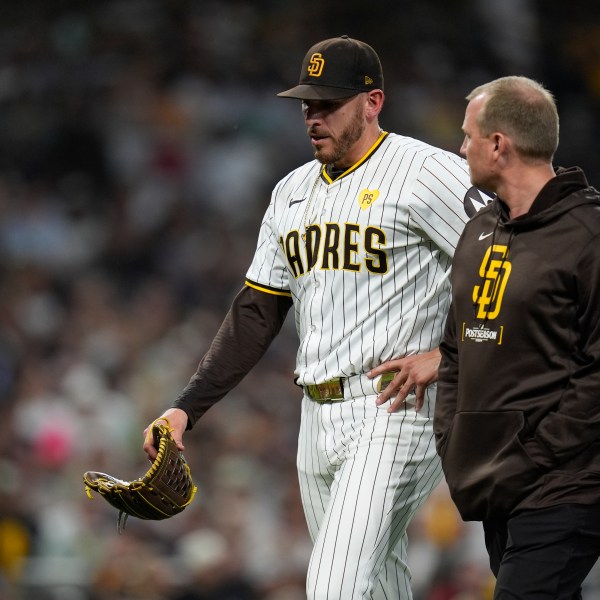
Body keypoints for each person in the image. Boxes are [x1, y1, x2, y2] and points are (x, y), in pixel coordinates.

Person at [144, 35, 472, 599]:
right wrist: (184, 410)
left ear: (374, 102)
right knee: (377, 583)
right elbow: (257, 311)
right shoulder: (291, 192)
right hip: (315, 419)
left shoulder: (427, 172)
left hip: (396, 407)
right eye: (307, 105)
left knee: (332, 584)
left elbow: (513, 259)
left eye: (329, 103)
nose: (314, 117)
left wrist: (451, 355)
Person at [434, 75, 600, 599]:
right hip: (496, 486)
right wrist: (452, 442)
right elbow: (455, 348)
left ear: (498, 144)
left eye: (468, 137)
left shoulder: (588, 235)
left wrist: (533, 456)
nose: (461, 148)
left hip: (566, 486)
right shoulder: (478, 229)